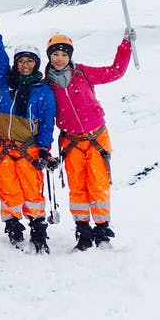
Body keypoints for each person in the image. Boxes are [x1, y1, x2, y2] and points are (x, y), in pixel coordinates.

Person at [42, 29, 134, 250]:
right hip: (71, 142)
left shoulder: (83, 73)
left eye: (64, 54)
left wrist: (126, 46)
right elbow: (44, 119)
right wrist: (44, 149)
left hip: (96, 138)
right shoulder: (46, 85)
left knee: (98, 185)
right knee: (77, 187)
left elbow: (115, 72)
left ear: (70, 56)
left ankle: (102, 231)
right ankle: (83, 231)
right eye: (55, 54)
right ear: (49, 56)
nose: (59, 58)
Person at [0, 14, 57, 253]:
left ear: (36, 64)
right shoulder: (6, 81)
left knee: (32, 191)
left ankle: (37, 228)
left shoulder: (43, 91)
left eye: (30, 61)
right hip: (3, 146)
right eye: (21, 61)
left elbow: (46, 123)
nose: (25, 65)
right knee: (8, 188)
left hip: (29, 149)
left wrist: (45, 149)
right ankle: (13, 226)